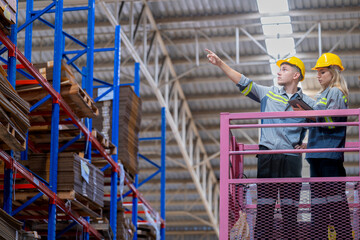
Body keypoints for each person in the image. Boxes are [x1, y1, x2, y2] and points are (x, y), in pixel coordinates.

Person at [206, 49, 315, 239]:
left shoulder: (308, 103)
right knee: (265, 209)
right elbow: (244, 82)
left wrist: (309, 144)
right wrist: (220, 63)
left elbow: (325, 125)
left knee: (290, 212)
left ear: (296, 75)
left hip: (291, 160)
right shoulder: (268, 93)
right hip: (267, 157)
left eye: (284, 69)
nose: (279, 72)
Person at [295, 53, 353, 239]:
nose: (318, 76)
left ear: (333, 73)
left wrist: (311, 115)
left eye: (322, 72)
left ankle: (345, 236)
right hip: (317, 153)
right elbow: (320, 124)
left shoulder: (335, 92)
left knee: (335, 201)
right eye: (317, 73)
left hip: (329, 154)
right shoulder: (322, 95)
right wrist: (307, 142)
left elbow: (331, 122)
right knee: (318, 204)